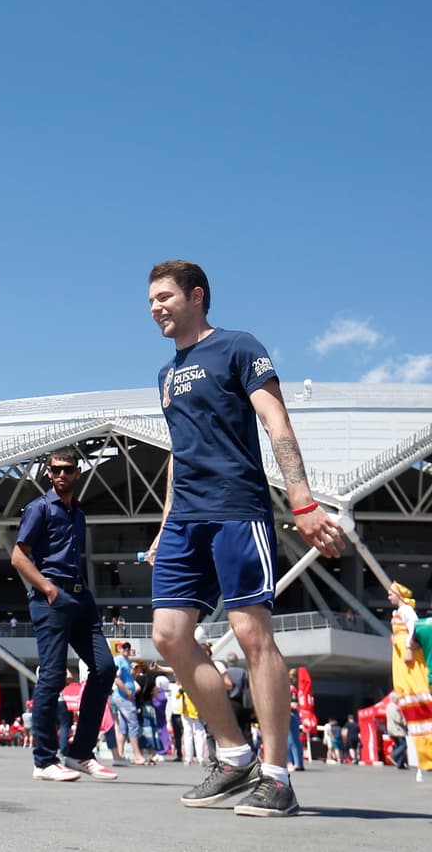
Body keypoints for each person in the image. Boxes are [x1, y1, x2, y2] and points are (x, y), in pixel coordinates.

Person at [144, 260, 345, 817]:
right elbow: (177, 454)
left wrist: (301, 503)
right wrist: (164, 527)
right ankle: (235, 756)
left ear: (196, 296)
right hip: (185, 520)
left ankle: (277, 778)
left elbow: (276, 422)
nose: (155, 307)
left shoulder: (238, 347)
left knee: (252, 635)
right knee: (167, 636)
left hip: (237, 509)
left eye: (164, 296)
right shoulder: (166, 373)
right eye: (150, 300)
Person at [12, 446, 118, 782]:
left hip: (80, 598)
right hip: (51, 599)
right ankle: (44, 760)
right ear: (47, 471)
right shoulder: (39, 508)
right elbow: (18, 557)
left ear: (78, 473)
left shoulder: (78, 512)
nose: (61, 475)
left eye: (68, 469)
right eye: (56, 469)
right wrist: (48, 589)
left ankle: (80, 753)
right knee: (53, 677)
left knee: (104, 668)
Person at [388, 581, 432, 777]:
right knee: (408, 697)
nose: (389, 596)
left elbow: (415, 627)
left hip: (406, 657)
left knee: (417, 696)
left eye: (391, 593)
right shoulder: (398, 612)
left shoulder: (406, 610)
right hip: (399, 655)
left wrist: (408, 648)